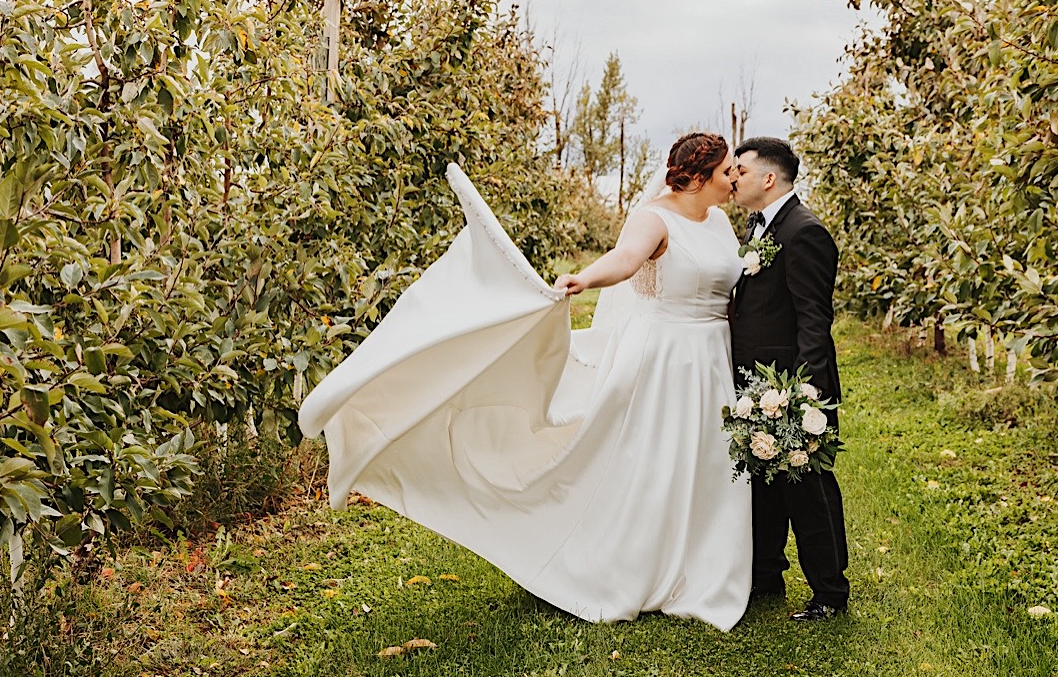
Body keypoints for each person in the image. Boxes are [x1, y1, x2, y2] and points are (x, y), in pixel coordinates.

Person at [299, 133, 752, 629]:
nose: (735, 180)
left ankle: (702, 564)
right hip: (666, 356)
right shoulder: (655, 218)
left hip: (710, 357)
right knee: (656, 459)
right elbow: (625, 260)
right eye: (728, 171)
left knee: (707, 457)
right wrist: (585, 279)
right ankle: (633, 562)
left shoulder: (721, 223)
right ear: (697, 174)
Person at [729, 136, 850, 621]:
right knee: (764, 485)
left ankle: (829, 593)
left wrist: (807, 397)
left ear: (769, 178)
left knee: (810, 491)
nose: (733, 177)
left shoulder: (804, 232)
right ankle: (765, 577)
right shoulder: (760, 227)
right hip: (760, 385)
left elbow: (813, 319)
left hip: (794, 387)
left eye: (741, 169)